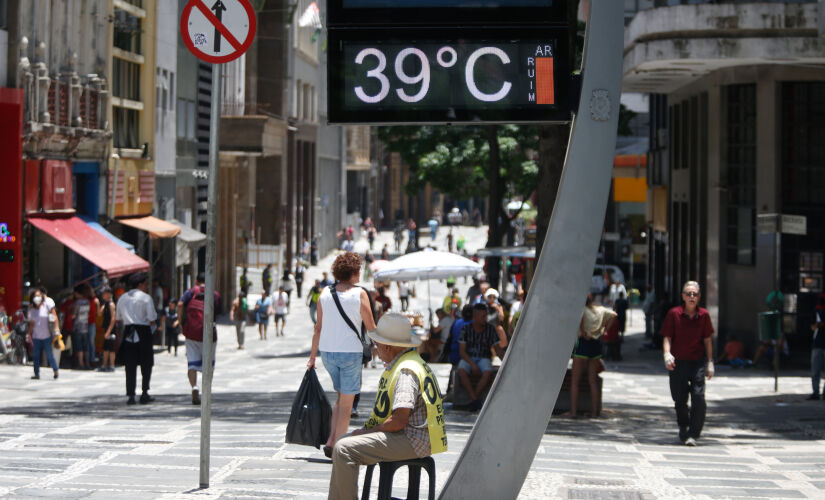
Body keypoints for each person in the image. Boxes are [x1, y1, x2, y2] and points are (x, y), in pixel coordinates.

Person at [328, 313, 447, 500]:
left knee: (344, 449)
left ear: (387, 346)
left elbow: (399, 420)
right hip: (416, 436)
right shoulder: (411, 362)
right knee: (343, 441)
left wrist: (368, 432)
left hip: (413, 439)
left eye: (377, 344)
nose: (376, 348)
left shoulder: (406, 371)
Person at [308, 252, 377, 458]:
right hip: (350, 353)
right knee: (347, 404)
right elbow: (371, 327)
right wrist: (384, 347)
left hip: (328, 353)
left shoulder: (325, 293)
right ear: (354, 272)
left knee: (340, 398)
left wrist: (312, 357)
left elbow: (318, 328)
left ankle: (331, 440)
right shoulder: (360, 294)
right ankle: (339, 447)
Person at [662, 280, 714, 446]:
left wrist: (710, 362)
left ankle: (693, 433)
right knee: (679, 399)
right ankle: (683, 426)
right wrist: (667, 354)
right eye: (689, 294)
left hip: (697, 362)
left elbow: (707, 340)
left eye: (695, 294)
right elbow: (667, 337)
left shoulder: (704, 315)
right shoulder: (674, 314)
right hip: (678, 363)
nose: (692, 296)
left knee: (698, 397)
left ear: (699, 297)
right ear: (683, 296)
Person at [564, 294, 615, 418]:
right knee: (592, 380)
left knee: (575, 381)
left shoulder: (581, 310)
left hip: (583, 343)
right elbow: (614, 315)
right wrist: (604, 329)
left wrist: (583, 330)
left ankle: (573, 412)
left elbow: (580, 320)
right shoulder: (600, 310)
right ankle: (594, 412)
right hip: (596, 345)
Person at [178, 273, 220, 405]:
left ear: (196, 281)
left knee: (192, 362)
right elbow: (217, 311)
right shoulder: (214, 294)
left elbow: (180, 304)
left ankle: (194, 386)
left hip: (192, 332)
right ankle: (206, 390)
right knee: (209, 363)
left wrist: (181, 322)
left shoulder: (191, 292)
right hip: (208, 333)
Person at [116, 273, 158, 405]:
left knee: (130, 365)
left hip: (128, 331)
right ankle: (145, 392)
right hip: (143, 331)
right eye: (146, 284)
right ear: (140, 284)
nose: (146, 287)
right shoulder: (146, 298)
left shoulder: (122, 298)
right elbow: (152, 317)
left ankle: (131, 395)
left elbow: (118, 318)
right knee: (146, 363)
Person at [458, 303, 505, 411]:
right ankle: (474, 399)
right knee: (461, 370)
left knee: (488, 371)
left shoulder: (490, 329)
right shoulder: (466, 329)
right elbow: (462, 351)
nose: (485, 319)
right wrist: (472, 364)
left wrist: (505, 361)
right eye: (482, 316)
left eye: (486, 316)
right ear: (475, 317)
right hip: (468, 357)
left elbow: (497, 349)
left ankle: (473, 398)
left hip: (484, 357)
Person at [27, 288, 59, 380]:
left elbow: (54, 317)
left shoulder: (46, 307)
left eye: (38, 296)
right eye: (35, 296)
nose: (37, 298)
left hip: (47, 336)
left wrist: (56, 328)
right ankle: (36, 373)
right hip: (36, 336)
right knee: (36, 355)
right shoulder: (32, 309)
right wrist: (28, 334)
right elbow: (32, 323)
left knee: (49, 355)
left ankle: (55, 370)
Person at [808, 294, 825, 400]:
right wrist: (817, 326)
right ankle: (815, 392)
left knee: (816, 370)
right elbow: (812, 326)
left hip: (819, 344)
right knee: (815, 370)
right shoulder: (816, 311)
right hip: (818, 343)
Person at [71, 284, 91, 370]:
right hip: (85, 326)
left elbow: (74, 315)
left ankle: (81, 364)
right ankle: (87, 363)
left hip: (78, 327)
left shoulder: (77, 303)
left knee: (79, 347)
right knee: (85, 346)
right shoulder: (87, 302)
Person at [97, 286, 117, 372]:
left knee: (111, 348)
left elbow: (113, 318)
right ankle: (104, 365)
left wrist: (108, 331)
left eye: (104, 293)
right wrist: (98, 303)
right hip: (106, 329)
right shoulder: (105, 304)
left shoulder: (112, 305)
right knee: (105, 348)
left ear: (108, 294)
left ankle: (112, 365)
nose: (102, 295)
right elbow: (99, 314)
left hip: (111, 330)